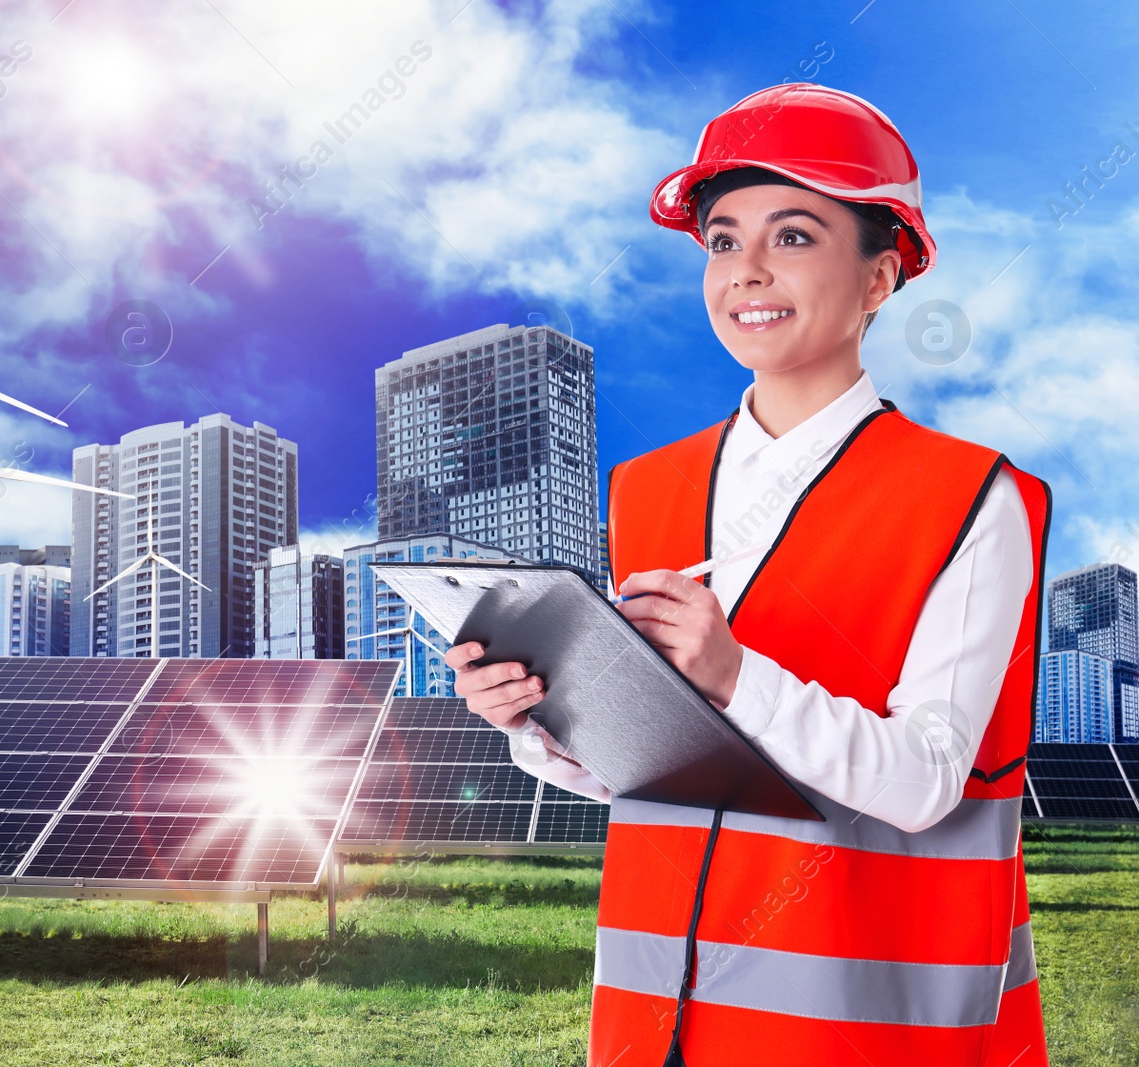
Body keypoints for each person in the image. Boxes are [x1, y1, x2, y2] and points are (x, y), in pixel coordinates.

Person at [445, 84, 1051, 1067]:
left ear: (880, 276)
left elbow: (929, 781)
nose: (748, 270)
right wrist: (539, 720)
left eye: (796, 236)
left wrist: (734, 674)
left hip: (868, 1030)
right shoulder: (647, 487)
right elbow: (664, 770)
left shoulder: (970, 498)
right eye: (723, 241)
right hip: (654, 1024)